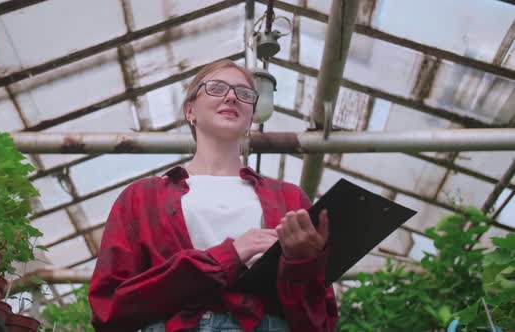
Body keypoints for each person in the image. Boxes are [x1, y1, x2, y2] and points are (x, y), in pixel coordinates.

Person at [88, 59, 338, 332]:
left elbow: (319, 324)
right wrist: (229, 255)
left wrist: (302, 265)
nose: (231, 97)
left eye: (244, 94)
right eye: (217, 88)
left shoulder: (290, 199)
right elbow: (108, 310)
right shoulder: (141, 198)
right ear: (190, 111)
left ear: (251, 118)